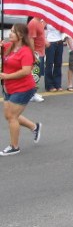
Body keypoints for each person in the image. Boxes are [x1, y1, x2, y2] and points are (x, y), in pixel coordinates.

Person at [0, 24, 42, 156]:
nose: (10, 34)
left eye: (13, 32)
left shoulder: (26, 51)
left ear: (21, 35)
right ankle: (34, 127)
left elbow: (26, 71)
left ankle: (14, 146)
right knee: (9, 116)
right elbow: (4, 58)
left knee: (12, 116)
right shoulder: (8, 47)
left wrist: (7, 76)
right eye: (11, 31)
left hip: (23, 88)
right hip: (8, 87)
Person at [27, 16, 47, 102]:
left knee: (38, 75)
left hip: (41, 52)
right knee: (35, 74)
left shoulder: (40, 22)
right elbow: (31, 39)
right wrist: (33, 54)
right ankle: (31, 94)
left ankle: (34, 92)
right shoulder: (33, 22)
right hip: (36, 53)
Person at [44, 24, 64, 91]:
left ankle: (57, 84)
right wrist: (45, 39)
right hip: (50, 42)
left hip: (59, 41)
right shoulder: (47, 17)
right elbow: (42, 29)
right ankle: (49, 85)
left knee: (58, 63)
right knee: (49, 64)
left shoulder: (61, 18)